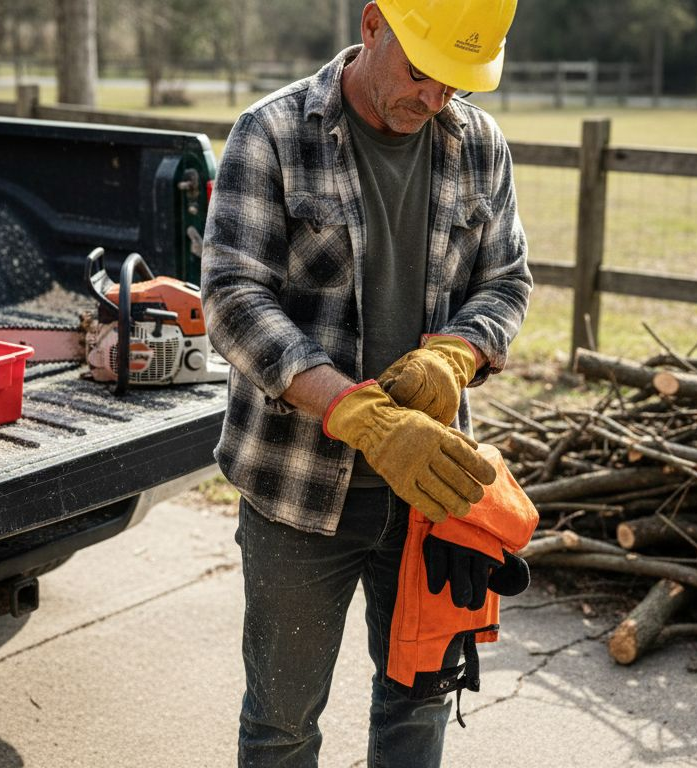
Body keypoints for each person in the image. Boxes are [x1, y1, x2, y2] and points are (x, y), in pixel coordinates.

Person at [201, 0, 530, 765]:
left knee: (417, 709)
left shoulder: (480, 146)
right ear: (374, 23)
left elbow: (507, 280)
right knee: (282, 724)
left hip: (432, 495)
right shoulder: (272, 133)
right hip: (296, 492)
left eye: (458, 83)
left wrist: (456, 353)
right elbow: (232, 298)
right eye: (422, 73)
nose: (435, 99)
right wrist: (356, 411)